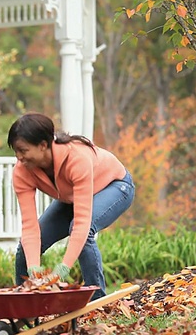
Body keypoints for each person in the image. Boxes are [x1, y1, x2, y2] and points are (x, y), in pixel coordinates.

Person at [8, 112, 135, 300]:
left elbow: (82, 223)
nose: (19, 157)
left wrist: (63, 269)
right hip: (72, 197)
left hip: (115, 185)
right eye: (16, 151)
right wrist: (33, 268)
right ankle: (25, 301)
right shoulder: (22, 172)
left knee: (81, 230)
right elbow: (30, 227)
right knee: (25, 248)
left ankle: (97, 299)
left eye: (23, 150)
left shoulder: (77, 158)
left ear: (43, 145)